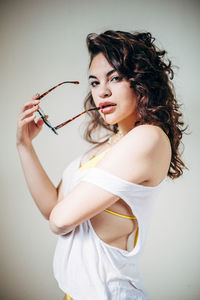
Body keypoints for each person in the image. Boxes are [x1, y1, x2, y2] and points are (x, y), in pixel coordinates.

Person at [16, 30, 187, 300]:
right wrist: (24, 145)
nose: (102, 91)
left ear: (140, 81)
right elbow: (52, 210)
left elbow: (61, 221)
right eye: (94, 83)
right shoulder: (103, 149)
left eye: (115, 78)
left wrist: (60, 215)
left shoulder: (148, 138)